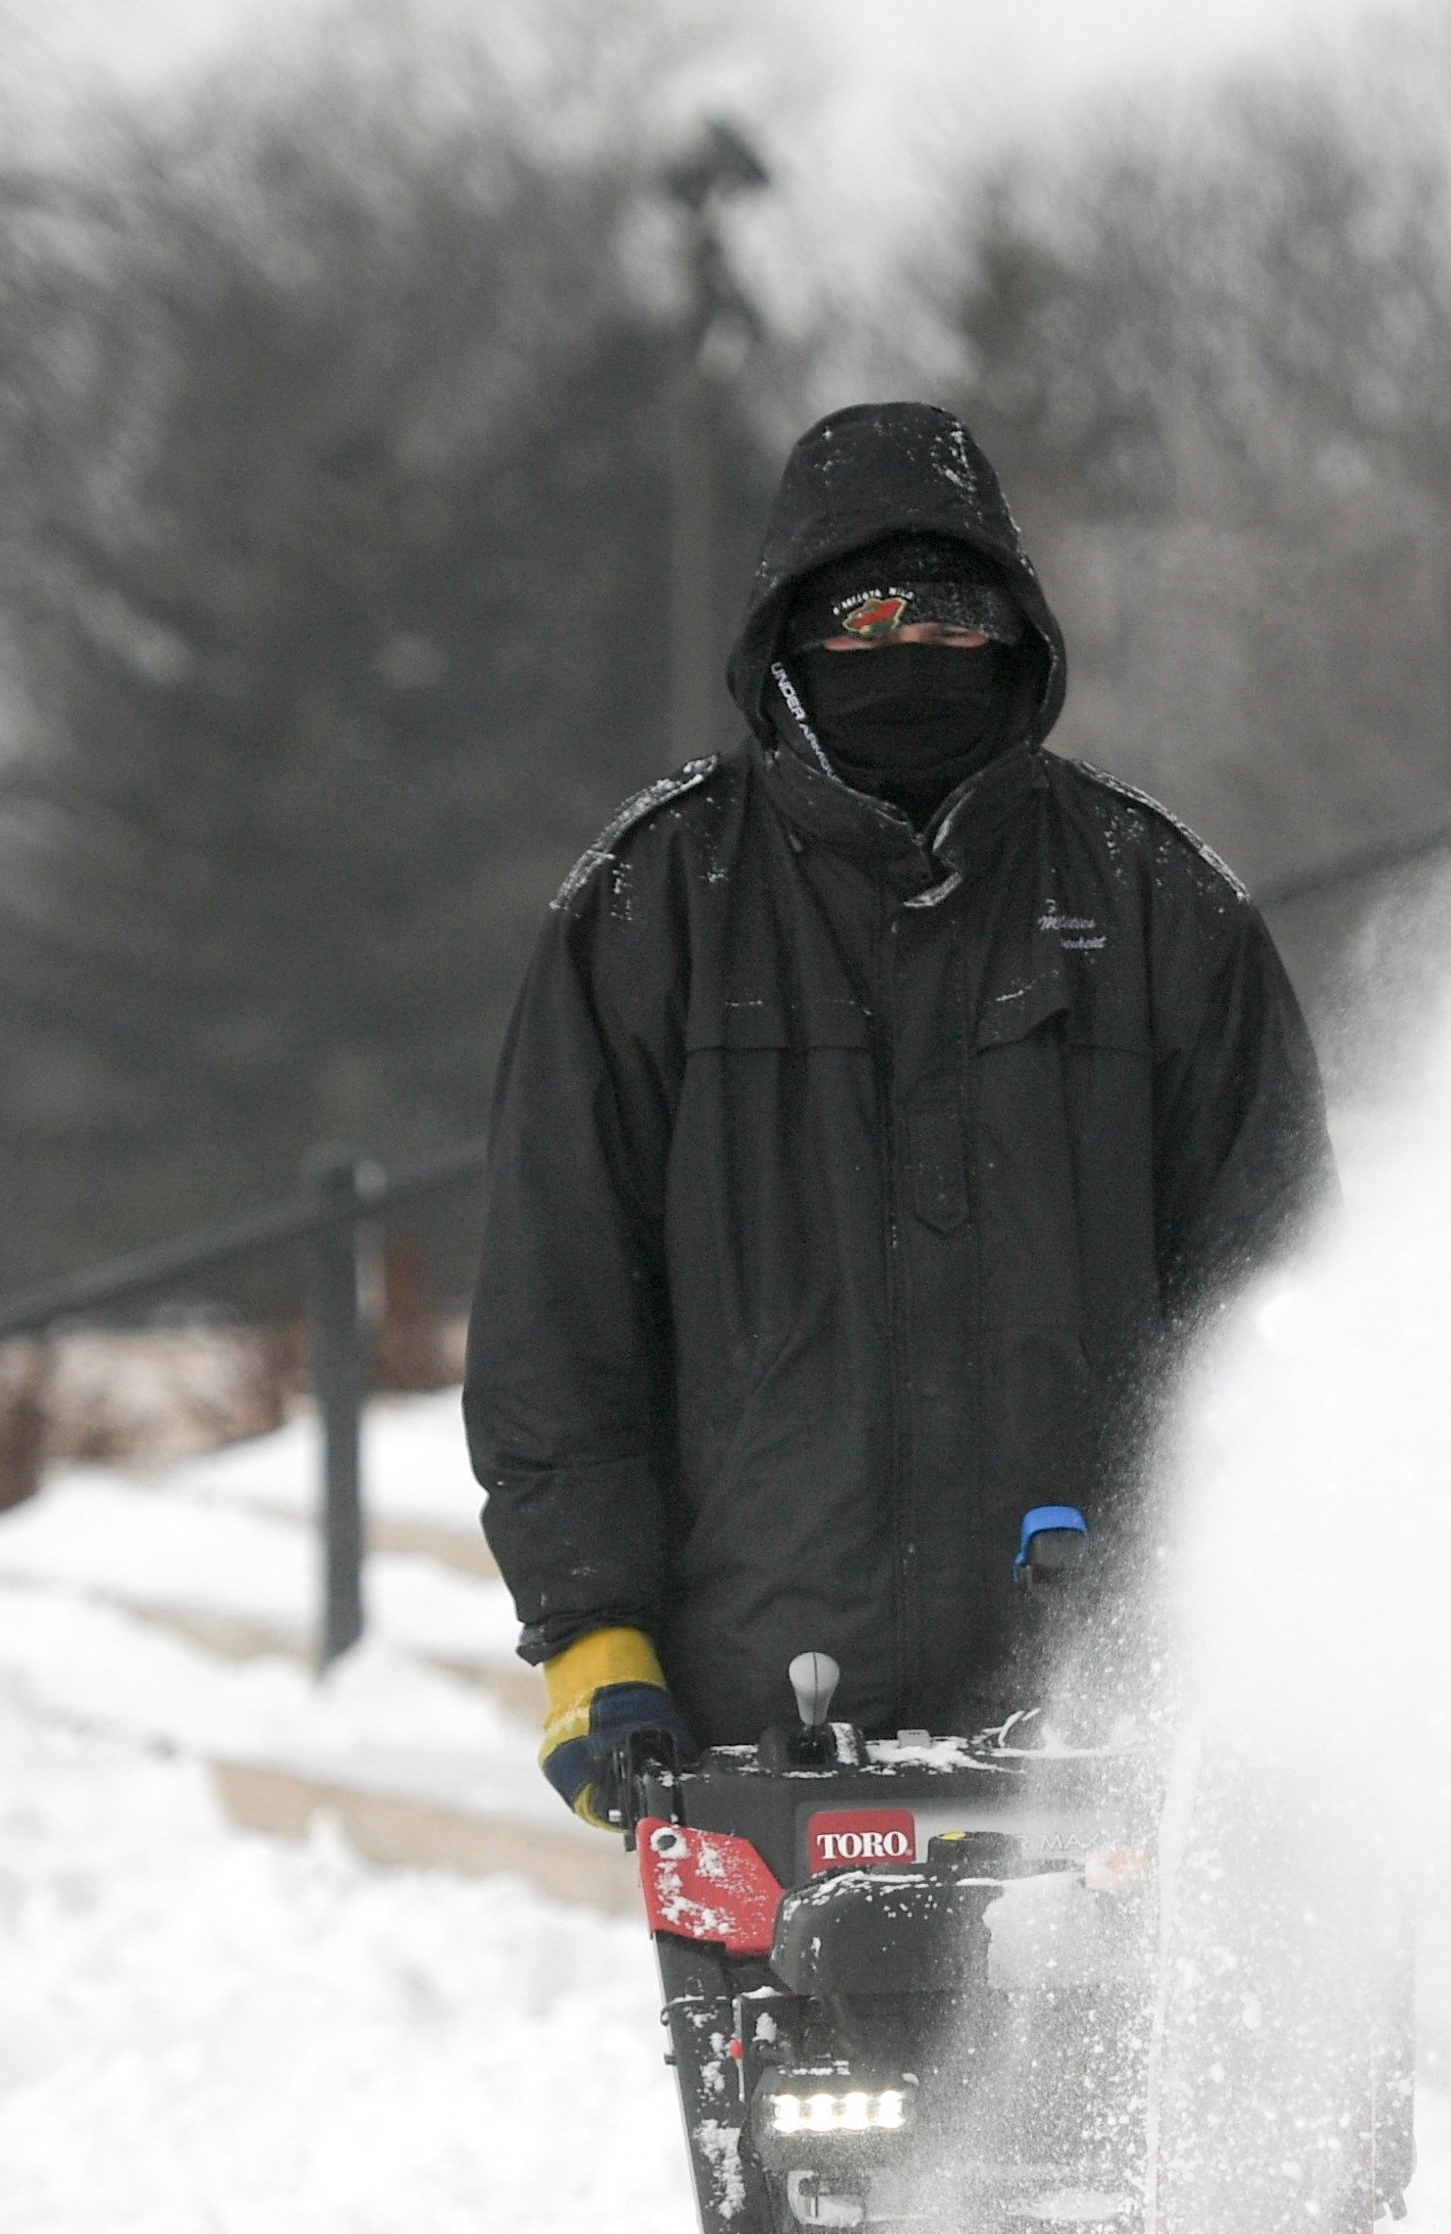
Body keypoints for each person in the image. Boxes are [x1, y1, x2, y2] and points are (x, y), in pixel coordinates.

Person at [468, 402, 1331, 1820]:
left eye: (949, 615)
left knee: (1116, 2051)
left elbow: (1274, 1294)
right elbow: (557, 1313)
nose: (907, 654)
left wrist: (1257, 1626)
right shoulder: (655, 904)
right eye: (865, 616)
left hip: (1106, 1726)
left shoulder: (1153, 903)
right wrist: (591, 1630)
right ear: (789, 632)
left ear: (1016, 628)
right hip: (760, 1734)